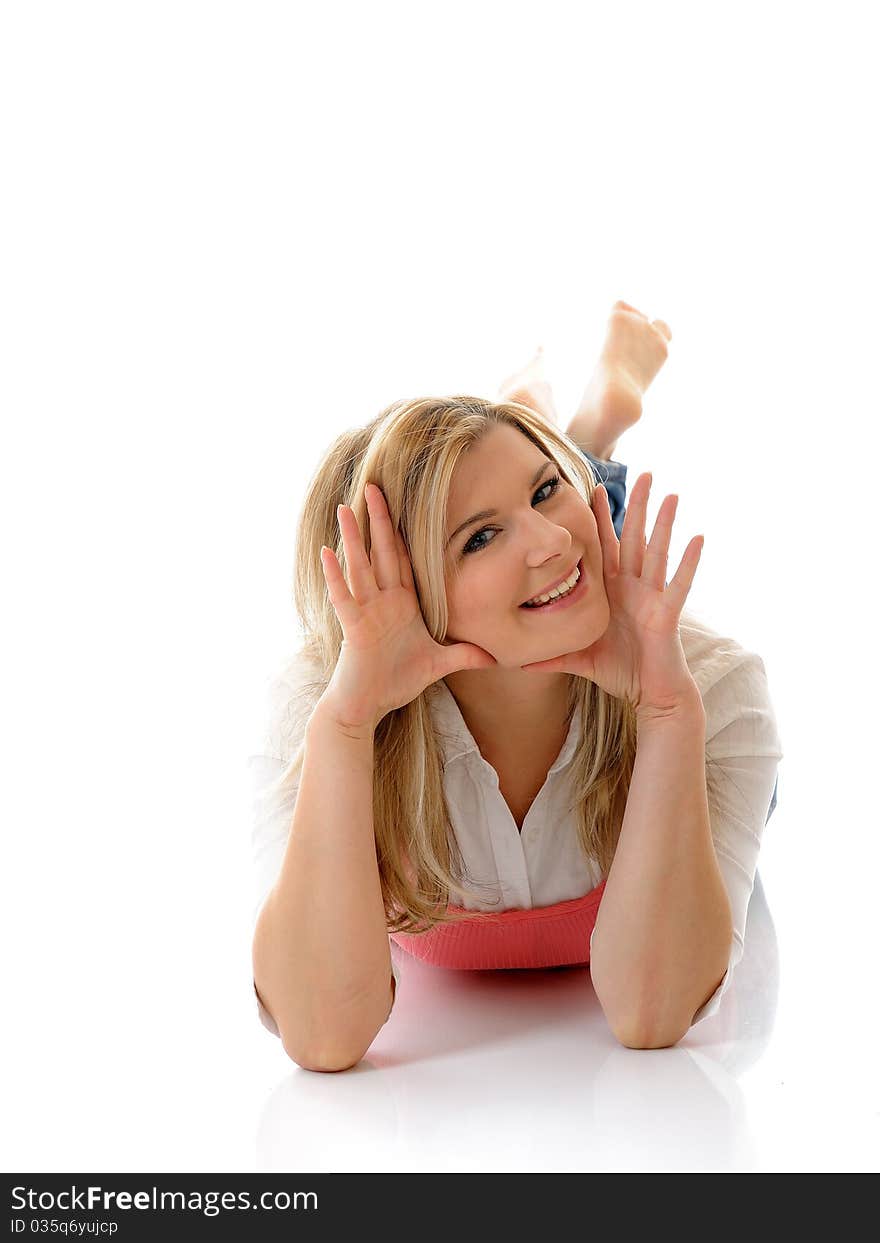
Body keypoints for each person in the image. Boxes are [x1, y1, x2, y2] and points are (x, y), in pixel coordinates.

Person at [249, 301, 783, 1071]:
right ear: (411, 593)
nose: (553, 536)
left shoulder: (714, 687)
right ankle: (572, 432)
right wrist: (347, 728)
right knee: (553, 555)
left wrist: (667, 714)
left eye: (543, 489)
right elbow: (322, 1035)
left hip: (653, 695)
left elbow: (652, 1012)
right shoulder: (317, 707)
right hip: (419, 660)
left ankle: (574, 439)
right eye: (480, 536)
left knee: (582, 544)